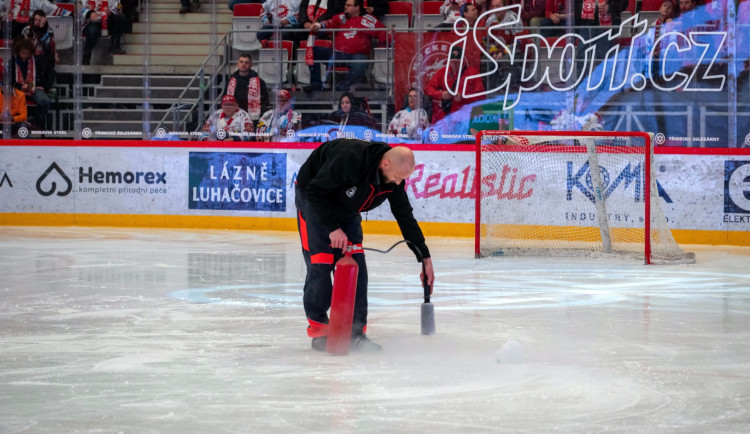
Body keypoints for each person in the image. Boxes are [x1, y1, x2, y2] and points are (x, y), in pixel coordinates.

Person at [295, 139, 435, 352]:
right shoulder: (349, 159)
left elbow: (404, 215)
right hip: (313, 200)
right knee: (320, 264)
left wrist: (424, 257)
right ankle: (319, 330)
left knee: (356, 266)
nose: (398, 184)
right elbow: (316, 192)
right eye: (398, 177)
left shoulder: (394, 179)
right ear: (385, 163)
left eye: (403, 180)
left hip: (348, 208)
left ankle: (356, 332)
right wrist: (332, 227)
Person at [303, 0, 386, 92]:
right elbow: (329, 22)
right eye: (345, 4)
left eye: (348, 5)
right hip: (338, 54)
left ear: (357, 7)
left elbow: (385, 34)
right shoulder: (341, 17)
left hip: (356, 56)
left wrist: (391, 39)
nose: (345, 7)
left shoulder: (370, 20)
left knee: (361, 62)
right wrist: (319, 25)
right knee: (313, 51)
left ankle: (343, 87)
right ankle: (316, 84)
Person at [424, 46, 485, 123]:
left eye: (458, 62)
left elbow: (481, 96)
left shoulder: (472, 73)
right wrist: (441, 94)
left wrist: (464, 96)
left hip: (467, 116)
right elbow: (428, 89)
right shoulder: (442, 72)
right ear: (449, 61)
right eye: (453, 62)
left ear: (462, 61)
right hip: (447, 117)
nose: (455, 64)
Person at [224, 54, 270, 131]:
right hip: (234, 117)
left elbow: (265, 102)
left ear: (251, 65)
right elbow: (224, 99)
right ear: (237, 64)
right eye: (241, 62)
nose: (243, 64)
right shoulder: (230, 81)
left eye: (246, 62)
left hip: (253, 119)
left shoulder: (259, 82)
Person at [11, 38, 49, 128]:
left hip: (34, 87)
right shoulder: (12, 62)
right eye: (22, 53)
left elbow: (48, 73)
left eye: (27, 53)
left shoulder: (37, 60)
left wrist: (42, 85)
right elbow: (9, 80)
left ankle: (37, 123)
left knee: (44, 100)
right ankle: (15, 124)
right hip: (17, 88)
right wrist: (20, 86)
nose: (25, 55)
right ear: (18, 52)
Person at [21, 10, 57, 98]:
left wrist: (41, 28)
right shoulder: (27, 30)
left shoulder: (49, 31)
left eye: (39, 20)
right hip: (29, 57)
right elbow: (20, 46)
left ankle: (44, 88)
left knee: (51, 70)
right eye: (35, 20)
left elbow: (45, 46)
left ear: (44, 21)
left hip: (43, 58)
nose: (37, 22)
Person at [81, 0, 127, 65]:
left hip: (108, 20)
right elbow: (79, 7)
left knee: (121, 17)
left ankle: (115, 46)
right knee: (92, 30)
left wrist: (110, 12)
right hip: (91, 22)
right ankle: (86, 56)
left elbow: (118, 6)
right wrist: (89, 13)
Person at [0, 0, 71, 38]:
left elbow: (51, 8)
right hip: (9, 25)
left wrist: (70, 13)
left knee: (29, 29)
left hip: (26, 25)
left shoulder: (35, 1)